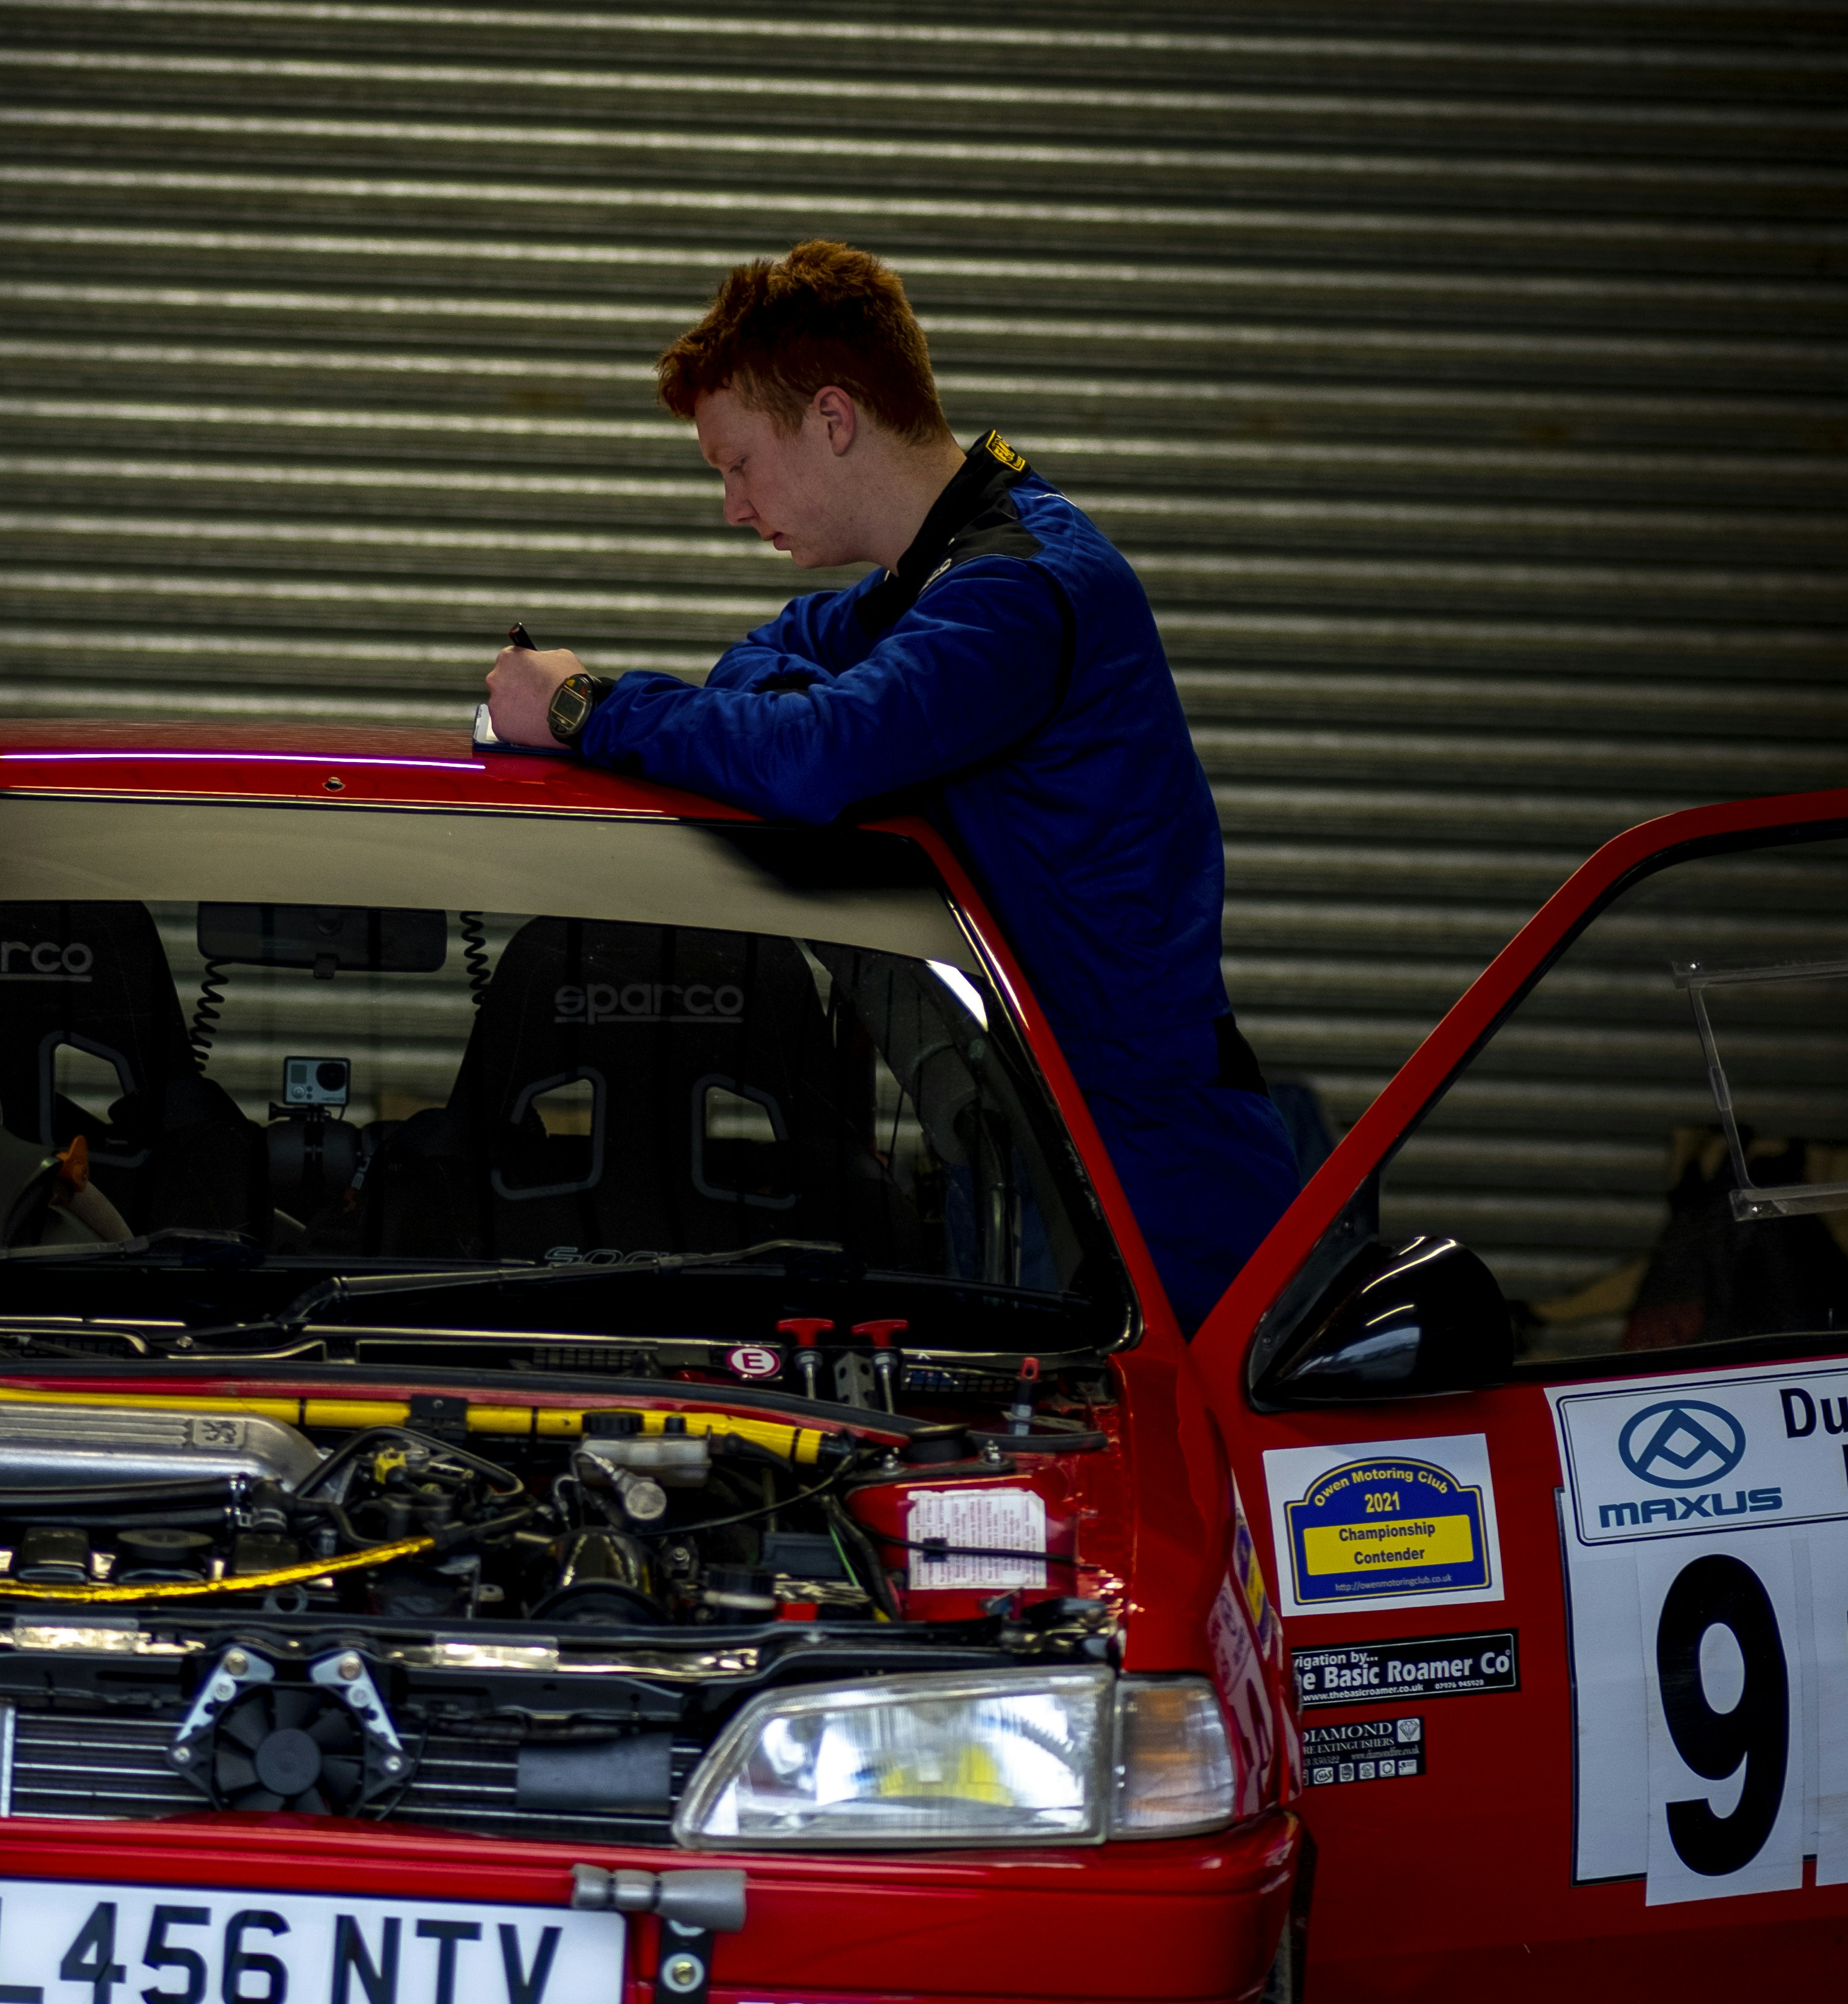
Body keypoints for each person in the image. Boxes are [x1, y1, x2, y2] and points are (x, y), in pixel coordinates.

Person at [482, 242, 1297, 1330]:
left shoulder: (1015, 595)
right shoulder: (921, 589)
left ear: (832, 418)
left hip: (1150, 1172)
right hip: (1030, 1135)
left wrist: (587, 707)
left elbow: (812, 760)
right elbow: (768, 670)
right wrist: (810, 732)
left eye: (737, 464)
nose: (732, 505)